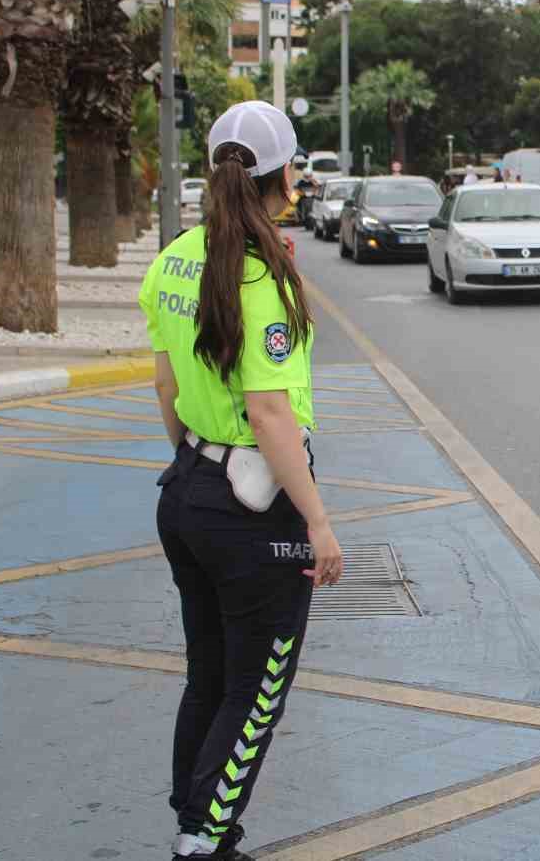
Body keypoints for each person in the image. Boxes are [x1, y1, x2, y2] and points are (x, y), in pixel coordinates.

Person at [139, 100, 344, 860]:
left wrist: (196, 468)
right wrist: (317, 522)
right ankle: (205, 837)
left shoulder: (175, 257)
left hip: (187, 492)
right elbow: (268, 412)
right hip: (253, 518)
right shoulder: (261, 278)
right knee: (255, 694)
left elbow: (165, 387)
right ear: (283, 177)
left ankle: (195, 810)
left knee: (210, 675)